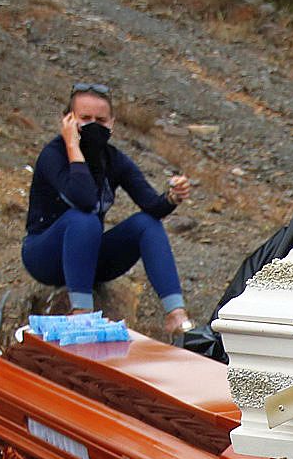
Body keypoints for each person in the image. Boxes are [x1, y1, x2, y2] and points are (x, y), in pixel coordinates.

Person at [23, 82, 195, 334]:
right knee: (85, 218)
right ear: (68, 120)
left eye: (101, 120)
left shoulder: (113, 159)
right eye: (85, 118)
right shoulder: (54, 155)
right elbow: (83, 200)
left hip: (87, 258)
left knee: (146, 224)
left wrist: (172, 196)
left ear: (112, 123)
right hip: (44, 256)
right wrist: (72, 146)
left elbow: (151, 206)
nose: (93, 125)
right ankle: (81, 313)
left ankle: (176, 316)